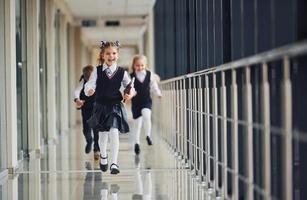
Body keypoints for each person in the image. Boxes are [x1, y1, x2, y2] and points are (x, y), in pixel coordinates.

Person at [85, 40, 135, 175]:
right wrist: (89, 90)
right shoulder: (97, 70)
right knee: (102, 136)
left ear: (117, 55)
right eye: (108, 53)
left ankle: (114, 163)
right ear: (103, 55)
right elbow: (89, 84)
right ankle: (104, 156)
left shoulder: (122, 72)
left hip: (115, 106)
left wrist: (129, 94)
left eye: (114, 53)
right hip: (100, 106)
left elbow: (130, 87)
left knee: (114, 132)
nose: (111, 56)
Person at [130, 55, 162, 155]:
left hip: (146, 101)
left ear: (145, 65)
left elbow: (153, 86)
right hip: (135, 103)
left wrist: (158, 94)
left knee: (147, 116)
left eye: (142, 65)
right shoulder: (131, 76)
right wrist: (130, 93)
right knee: (137, 124)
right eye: (137, 65)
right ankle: (136, 143)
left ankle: (148, 135)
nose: (139, 67)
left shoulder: (149, 75)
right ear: (134, 66)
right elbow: (128, 87)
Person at [74, 65, 100, 160]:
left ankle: (96, 149)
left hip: (97, 108)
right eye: (87, 77)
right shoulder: (83, 81)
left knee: (96, 129)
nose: (89, 80)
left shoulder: (98, 80)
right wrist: (77, 99)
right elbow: (77, 91)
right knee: (86, 129)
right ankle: (89, 140)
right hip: (86, 108)